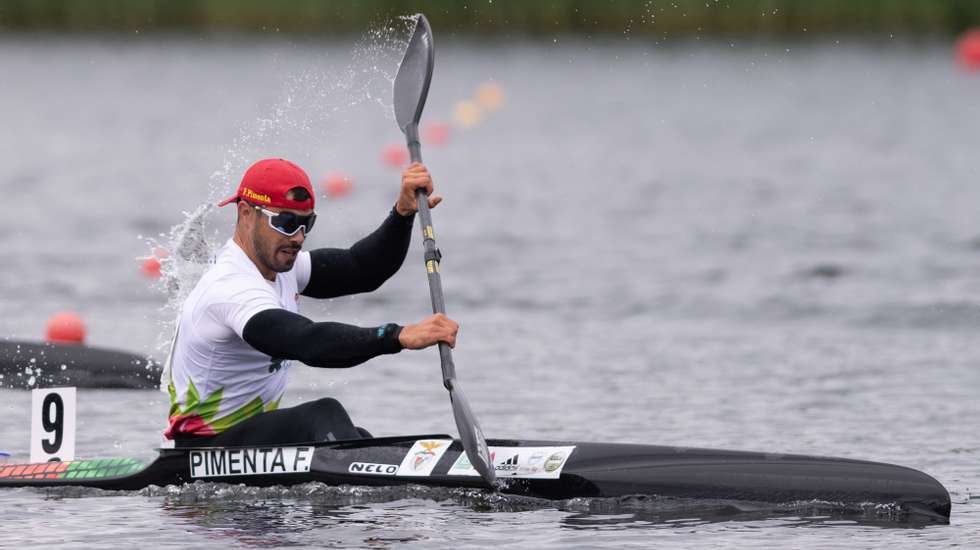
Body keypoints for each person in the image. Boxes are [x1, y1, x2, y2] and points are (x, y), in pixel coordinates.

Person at [164, 158, 458, 447]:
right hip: (201, 450)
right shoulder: (231, 286)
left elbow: (362, 268)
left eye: (306, 223)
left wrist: (403, 213)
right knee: (323, 415)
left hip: (245, 439)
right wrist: (397, 336)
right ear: (245, 214)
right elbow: (306, 341)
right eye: (286, 222)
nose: (298, 237)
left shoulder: (281, 267)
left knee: (355, 436)